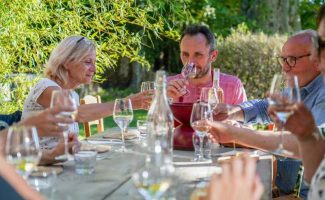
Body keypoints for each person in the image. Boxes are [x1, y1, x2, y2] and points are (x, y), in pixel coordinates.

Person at [211, 29, 325, 198]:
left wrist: (237, 134)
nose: (284, 68)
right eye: (283, 60)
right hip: (283, 193)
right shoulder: (295, 88)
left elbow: (308, 142)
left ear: (318, 60)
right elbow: (266, 107)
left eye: (292, 60)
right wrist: (233, 111)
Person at [22, 36, 152, 149]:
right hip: (36, 168)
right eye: (88, 62)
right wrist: (125, 104)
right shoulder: (45, 87)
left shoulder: (73, 95)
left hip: (62, 162)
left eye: (94, 62)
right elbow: (76, 114)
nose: (94, 69)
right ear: (67, 62)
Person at [167, 25, 247, 105]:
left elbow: (245, 116)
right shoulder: (166, 86)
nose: (190, 62)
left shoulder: (232, 86)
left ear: (213, 56)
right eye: (185, 54)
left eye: (198, 54)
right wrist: (166, 100)